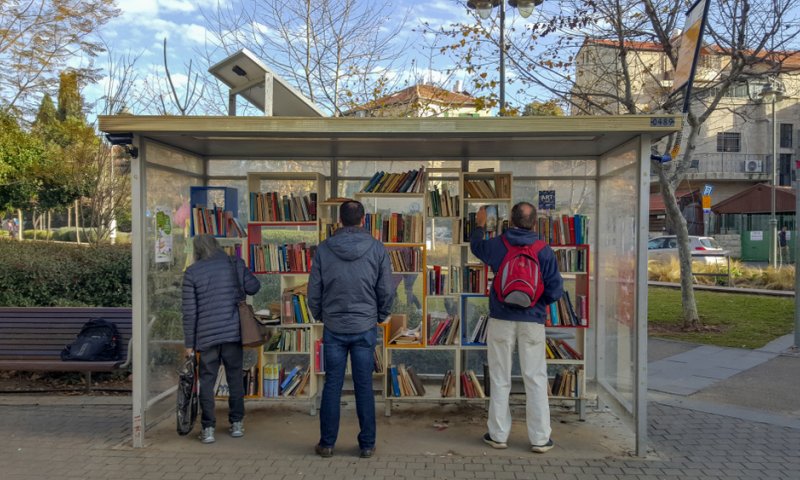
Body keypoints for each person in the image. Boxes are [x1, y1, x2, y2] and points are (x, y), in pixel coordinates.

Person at [469, 202, 563, 454]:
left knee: (500, 377)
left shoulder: (498, 244)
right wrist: (535, 302)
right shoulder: (543, 250)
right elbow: (555, 290)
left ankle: (498, 435)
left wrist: (479, 225)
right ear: (534, 223)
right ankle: (540, 439)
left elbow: (476, 247)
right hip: (532, 321)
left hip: (501, 318)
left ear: (510, 220)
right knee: (535, 378)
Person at [308, 200, 395, 459]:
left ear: (340, 220)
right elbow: (386, 289)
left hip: (334, 325)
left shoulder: (324, 249)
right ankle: (367, 445)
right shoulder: (377, 248)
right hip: (364, 325)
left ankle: (327, 444)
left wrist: (322, 315)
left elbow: (314, 291)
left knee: (332, 384)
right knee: (364, 386)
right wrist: (379, 316)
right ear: (363, 220)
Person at [182, 234, 260, 444]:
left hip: (206, 336)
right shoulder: (234, 263)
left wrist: (189, 344)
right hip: (233, 333)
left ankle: (208, 428)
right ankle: (237, 424)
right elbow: (254, 287)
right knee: (235, 378)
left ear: (197, 250)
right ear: (217, 246)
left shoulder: (192, 272)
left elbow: (189, 313)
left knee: (207, 381)